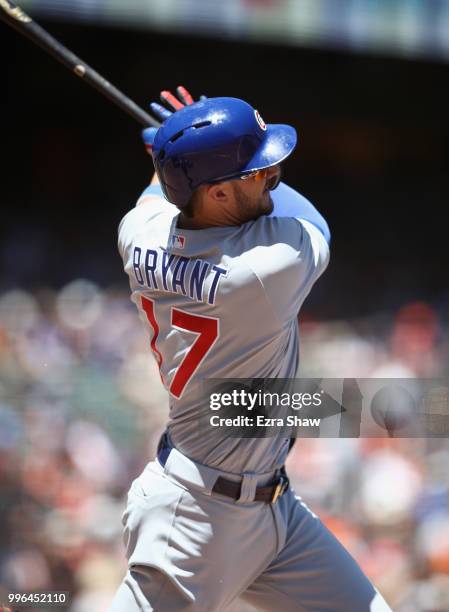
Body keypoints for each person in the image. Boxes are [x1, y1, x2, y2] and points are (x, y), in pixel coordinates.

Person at [110, 88, 391, 611]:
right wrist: (171, 149)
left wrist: (179, 148)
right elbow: (309, 218)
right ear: (214, 194)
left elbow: (159, 195)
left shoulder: (138, 234)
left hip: (275, 510)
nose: (271, 174)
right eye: (256, 170)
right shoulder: (265, 269)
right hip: (197, 519)